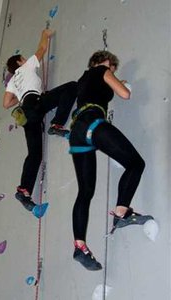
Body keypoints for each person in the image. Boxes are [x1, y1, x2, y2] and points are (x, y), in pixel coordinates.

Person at [69, 50, 153, 271]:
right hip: (93, 123)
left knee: (85, 192)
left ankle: (80, 246)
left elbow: (97, 90)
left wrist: (111, 82)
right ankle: (121, 213)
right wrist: (118, 82)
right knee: (136, 164)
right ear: (102, 63)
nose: (113, 71)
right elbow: (125, 94)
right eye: (112, 68)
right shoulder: (102, 70)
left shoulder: (82, 81)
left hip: (78, 131)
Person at [3, 28, 77, 212]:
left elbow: (5, 103)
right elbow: (42, 49)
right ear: (20, 61)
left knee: (34, 154)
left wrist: (18, 99)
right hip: (35, 103)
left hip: (26, 114)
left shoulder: (12, 81)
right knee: (72, 88)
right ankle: (57, 124)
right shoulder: (26, 66)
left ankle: (24, 191)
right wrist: (45, 33)